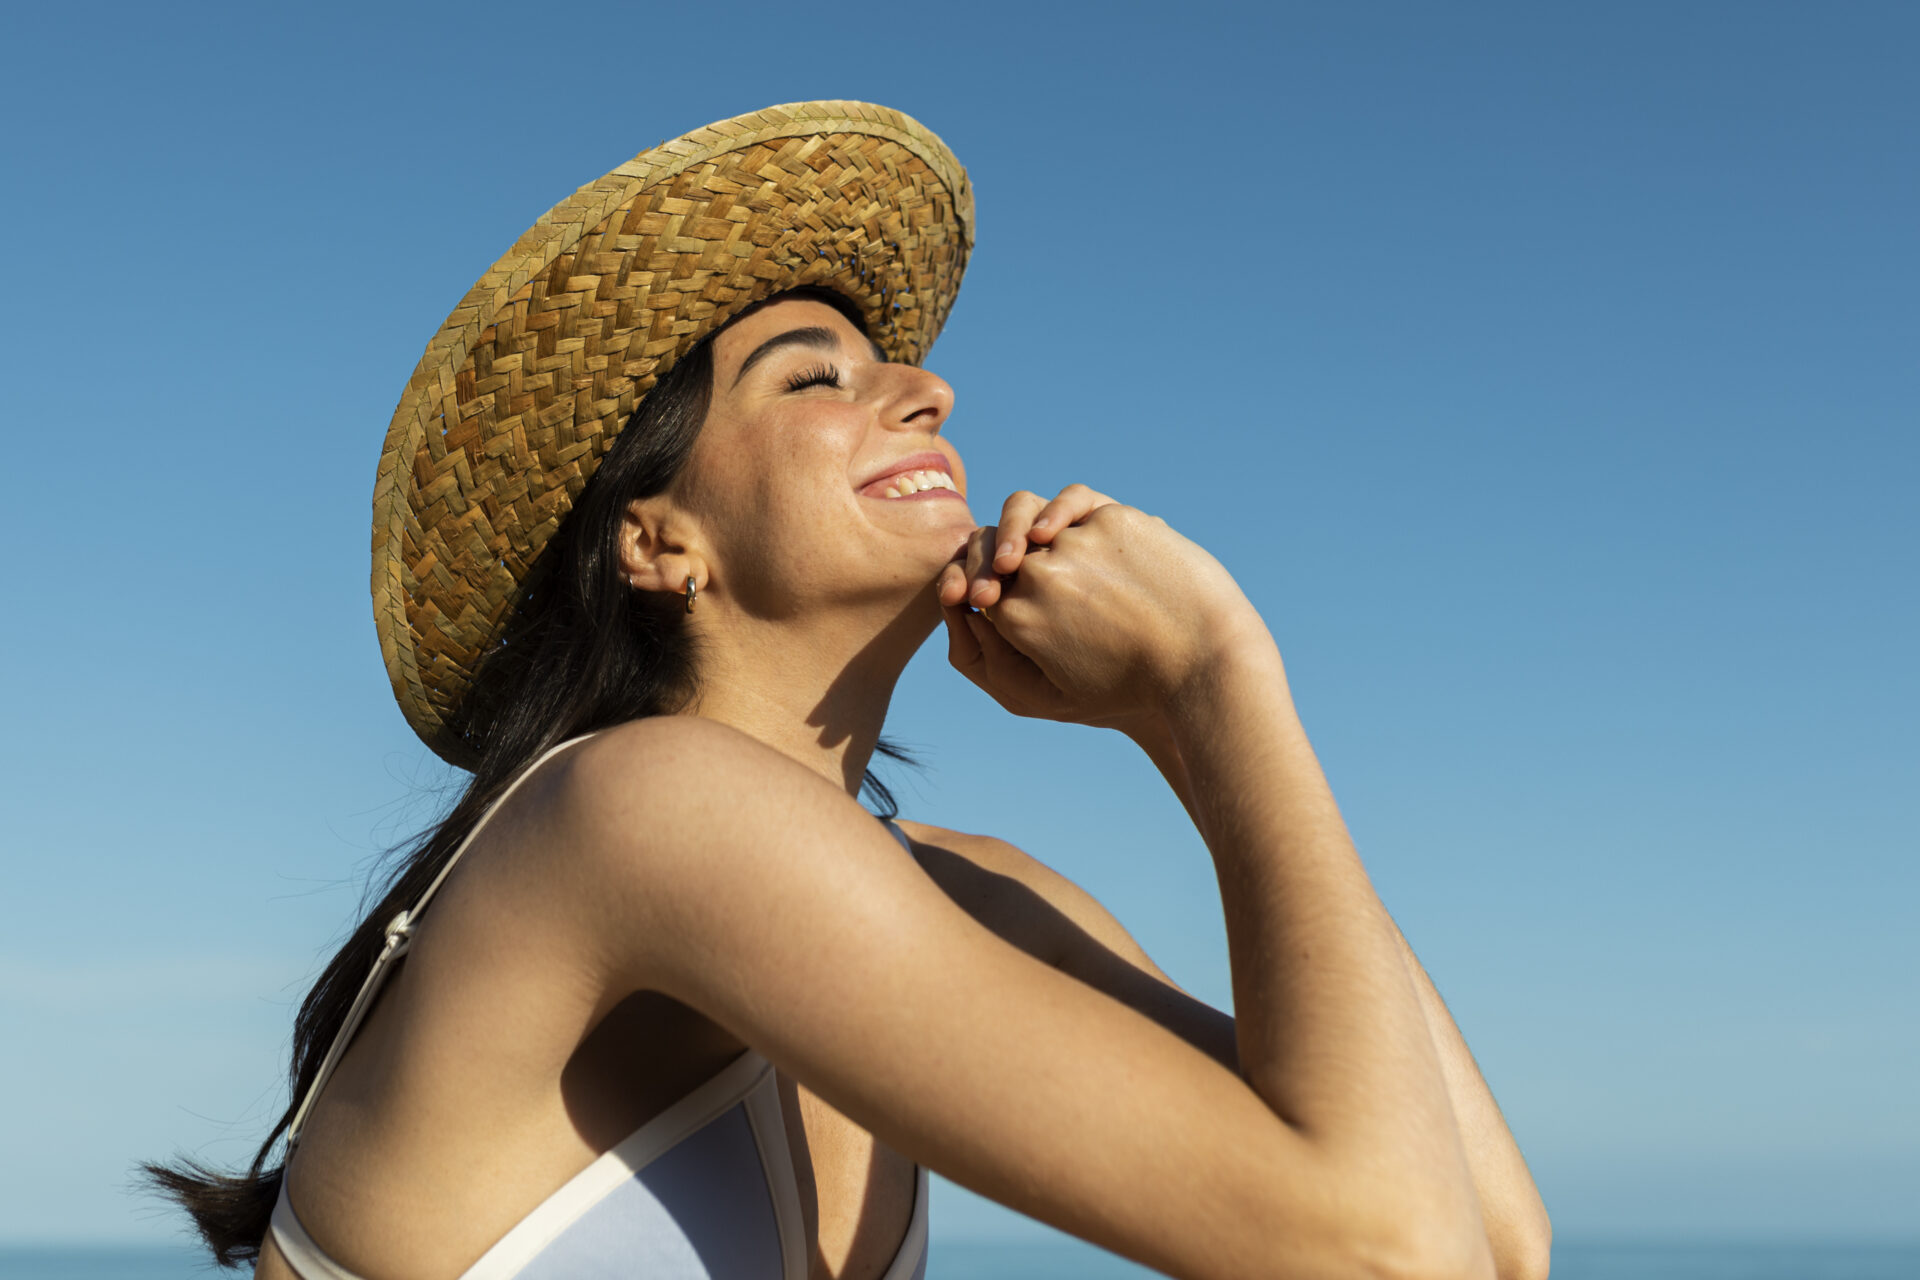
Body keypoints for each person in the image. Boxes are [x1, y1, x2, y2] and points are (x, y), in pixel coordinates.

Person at [146, 101, 1550, 1280]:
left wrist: (1185, 731)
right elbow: (1389, 1255)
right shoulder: (640, 808)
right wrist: (1222, 674)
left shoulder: (963, 892)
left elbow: (1490, 1239)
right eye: (813, 377)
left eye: (899, 368)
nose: (926, 391)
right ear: (657, 540)